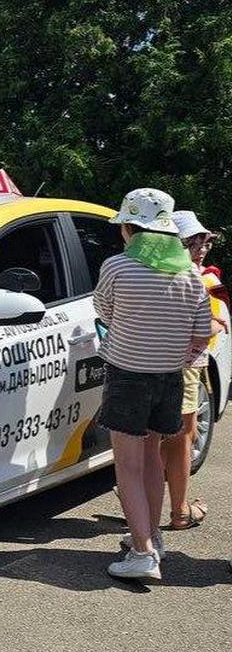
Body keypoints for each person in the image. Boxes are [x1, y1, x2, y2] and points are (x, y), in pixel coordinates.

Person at [94, 188, 213, 580]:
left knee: (126, 468)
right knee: (151, 461)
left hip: (127, 375)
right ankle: (153, 539)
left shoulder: (117, 267)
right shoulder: (191, 277)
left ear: (130, 229)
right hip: (169, 379)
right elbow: (201, 332)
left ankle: (142, 552)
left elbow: (104, 311)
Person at [159, 211, 228, 530]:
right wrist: (214, 323)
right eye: (194, 241)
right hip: (183, 364)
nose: (201, 247)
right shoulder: (190, 277)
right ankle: (179, 511)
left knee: (173, 436)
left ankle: (147, 499)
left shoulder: (200, 276)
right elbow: (202, 328)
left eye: (206, 241)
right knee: (182, 437)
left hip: (171, 364)